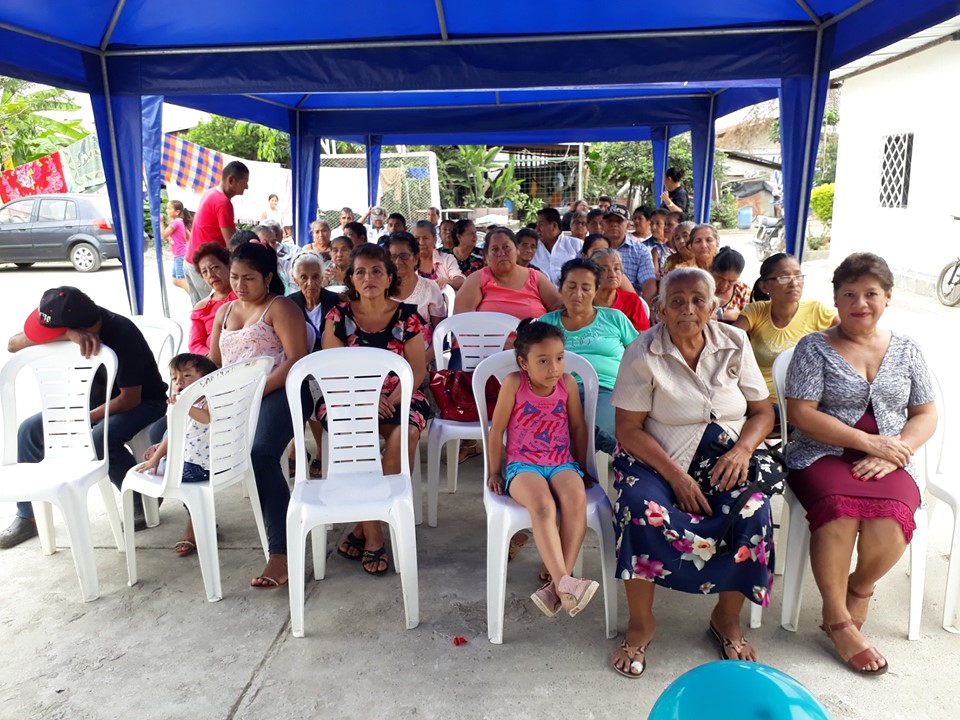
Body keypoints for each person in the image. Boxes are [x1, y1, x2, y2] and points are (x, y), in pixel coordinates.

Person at [609, 268, 776, 677]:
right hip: (658, 458)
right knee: (639, 508)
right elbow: (628, 428)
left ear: (713, 305)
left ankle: (726, 619)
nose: (688, 309)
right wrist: (676, 476)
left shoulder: (734, 342)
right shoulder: (643, 352)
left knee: (753, 511)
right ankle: (641, 623)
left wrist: (742, 450)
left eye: (698, 300)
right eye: (677, 301)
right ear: (661, 309)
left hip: (727, 457)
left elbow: (762, 412)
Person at [784, 253, 937, 675]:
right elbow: (801, 413)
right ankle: (838, 620)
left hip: (889, 457)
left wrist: (897, 449)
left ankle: (858, 589)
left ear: (888, 296)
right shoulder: (814, 347)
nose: (860, 303)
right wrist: (866, 442)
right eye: (849, 294)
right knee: (839, 513)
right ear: (835, 298)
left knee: (892, 522)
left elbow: (925, 413)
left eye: (871, 293)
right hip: (821, 453)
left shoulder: (907, 349)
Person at [0, 287, 168, 548]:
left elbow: (130, 399)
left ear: (84, 326)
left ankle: (141, 498)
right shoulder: (73, 328)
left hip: (145, 403)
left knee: (99, 438)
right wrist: (67, 334)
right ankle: (27, 516)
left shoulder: (122, 334)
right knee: (29, 431)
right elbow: (13, 344)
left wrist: (84, 418)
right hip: (90, 403)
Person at [320, 244, 430, 575]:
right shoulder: (338, 316)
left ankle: (364, 523)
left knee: (406, 434)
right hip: (347, 397)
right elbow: (332, 370)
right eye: (361, 272)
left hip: (399, 394)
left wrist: (392, 399)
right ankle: (374, 534)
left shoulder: (407, 316)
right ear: (351, 279)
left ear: (389, 277)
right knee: (358, 439)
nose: (369, 277)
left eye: (377, 271)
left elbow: (417, 369)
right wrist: (365, 398)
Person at [208, 242, 309, 588]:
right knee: (173, 436)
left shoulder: (280, 307)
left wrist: (255, 391)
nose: (239, 285)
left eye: (248, 278)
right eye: (235, 277)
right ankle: (194, 525)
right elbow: (214, 364)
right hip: (236, 397)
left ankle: (281, 553)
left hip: (281, 392)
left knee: (260, 454)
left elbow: (296, 359)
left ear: (267, 277)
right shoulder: (224, 312)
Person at [486, 319, 600, 617]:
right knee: (543, 505)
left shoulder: (567, 384)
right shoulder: (514, 384)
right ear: (524, 363)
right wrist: (494, 471)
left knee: (576, 498)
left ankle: (557, 585)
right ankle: (564, 581)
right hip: (523, 466)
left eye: (559, 358)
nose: (554, 368)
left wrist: (583, 467)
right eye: (543, 361)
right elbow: (497, 430)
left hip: (561, 462)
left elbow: (577, 427)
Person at [540, 259, 639, 455]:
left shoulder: (614, 318)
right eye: (571, 286)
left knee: (585, 426)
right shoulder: (545, 324)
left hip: (606, 390)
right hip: (557, 392)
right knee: (558, 426)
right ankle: (609, 450)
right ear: (560, 288)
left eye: (586, 288)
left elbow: (640, 356)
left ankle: (567, 463)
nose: (578, 294)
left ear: (596, 291)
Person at [135, 353, 218, 557]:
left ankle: (164, 460)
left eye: (187, 375)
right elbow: (173, 433)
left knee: (165, 471)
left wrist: (184, 406)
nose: (179, 382)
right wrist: (155, 459)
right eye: (174, 378)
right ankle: (161, 456)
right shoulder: (178, 405)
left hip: (199, 468)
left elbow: (207, 418)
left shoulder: (209, 400)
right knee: (166, 439)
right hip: (187, 460)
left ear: (206, 381)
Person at [734, 253, 839, 399]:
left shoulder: (816, 310)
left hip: (805, 399)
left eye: (798, 276)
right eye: (784, 277)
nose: (794, 283)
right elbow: (729, 340)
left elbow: (852, 335)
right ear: (764, 286)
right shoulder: (756, 311)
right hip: (762, 399)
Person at [182, 161, 249, 305]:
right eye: (244, 182)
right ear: (231, 180)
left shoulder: (210, 193)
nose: (246, 187)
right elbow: (232, 243)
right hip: (206, 268)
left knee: (200, 310)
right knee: (216, 309)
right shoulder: (223, 202)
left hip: (191, 262)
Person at [386, 232, 446, 362]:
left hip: (424, 359)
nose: (397, 262)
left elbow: (440, 333)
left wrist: (424, 360)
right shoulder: (381, 289)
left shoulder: (430, 288)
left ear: (416, 258)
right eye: (392, 257)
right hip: (388, 361)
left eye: (404, 256)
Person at [189, 242, 237, 355]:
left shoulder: (244, 296)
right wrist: (210, 358)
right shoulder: (202, 308)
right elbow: (195, 345)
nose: (210, 275)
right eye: (204, 272)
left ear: (228, 266)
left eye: (214, 267)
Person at [602, 204, 657, 304]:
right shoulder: (593, 248)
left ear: (627, 226)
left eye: (619, 221)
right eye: (609, 221)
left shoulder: (640, 251)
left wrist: (646, 307)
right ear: (603, 225)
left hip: (630, 303)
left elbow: (648, 281)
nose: (614, 224)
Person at [591, 248, 651, 333]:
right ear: (593, 274)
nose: (613, 274)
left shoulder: (632, 301)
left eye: (616, 268)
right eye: (604, 269)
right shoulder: (586, 300)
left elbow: (643, 336)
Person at [532, 207, 584, 286]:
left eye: (541, 224)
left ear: (554, 226)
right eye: (537, 225)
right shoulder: (533, 249)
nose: (537, 229)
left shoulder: (577, 245)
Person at [414, 220, 464, 290]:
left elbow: (461, 281)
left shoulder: (447, 259)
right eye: (417, 238)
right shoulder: (407, 262)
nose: (421, 242)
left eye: (425, 238)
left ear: (434, 239)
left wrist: (448, 282)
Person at [712, 247, 751, 323]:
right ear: (712, 271)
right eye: (720, 279)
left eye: (731, 281)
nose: (724, 286)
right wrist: (721, 316)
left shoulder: (743, 292)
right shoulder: (701, 287)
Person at [161, 199, 191, 293]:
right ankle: (194, 295)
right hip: (180, 254)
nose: (166, 210)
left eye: (169, 209)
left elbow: (163, 236)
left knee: (181, 280)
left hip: (180, 255)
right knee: (176, 281)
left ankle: (195, 298)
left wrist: (161, 222)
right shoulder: (181, 222)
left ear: (177, 212)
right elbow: (189, 237)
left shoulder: (175, 223)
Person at [643, 210, 671, 277]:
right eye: (651, 223)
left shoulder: (675, 246)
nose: (653, 227)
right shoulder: (643, 247)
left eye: (658, 223)